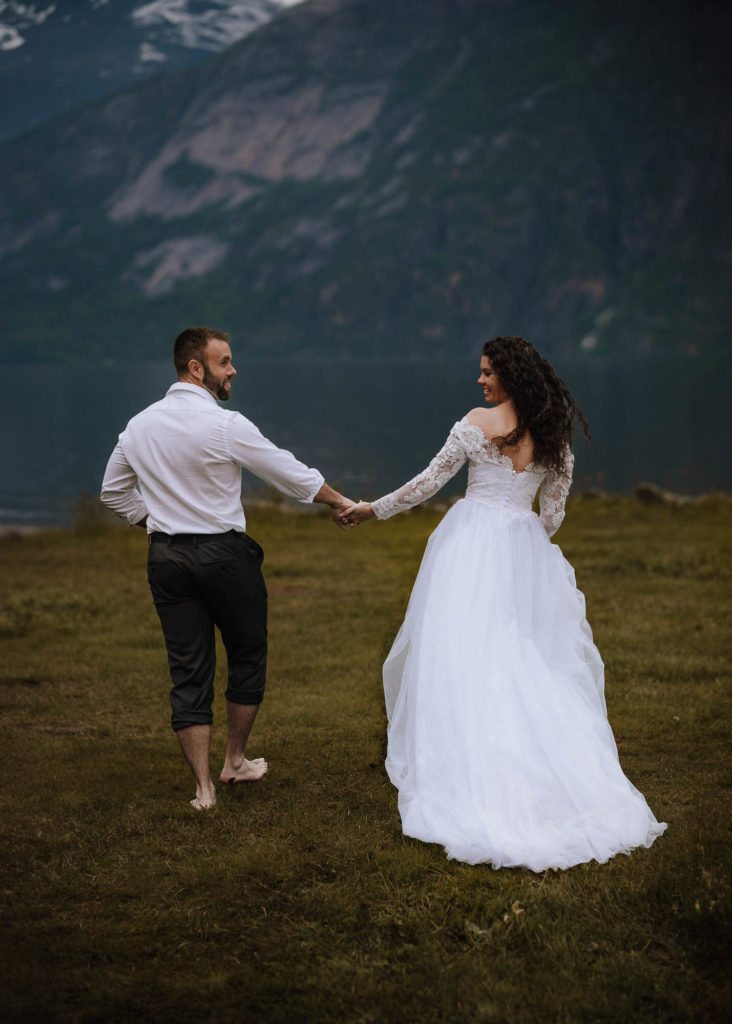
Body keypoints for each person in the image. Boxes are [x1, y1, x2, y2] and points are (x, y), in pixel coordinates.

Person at [342, 336, 667, 870]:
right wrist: (527, 535)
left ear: (509, 375)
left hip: (469, 544)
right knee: (520, 653)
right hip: (524, 546)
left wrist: (370, 509)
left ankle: (466, 756)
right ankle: (543, 760)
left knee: (464, 648)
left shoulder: (475, 422)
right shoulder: (555, 436)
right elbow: (554, 515)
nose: (480, 380)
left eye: (488, 371)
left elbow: (427, 485)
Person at [101, 326, 353, 811]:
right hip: (224, 557)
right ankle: (233, 760)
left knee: (188, 669)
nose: (233, 370)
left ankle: (203, 789)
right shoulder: (225, 424)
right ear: (197, 368)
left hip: (167, 559)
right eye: (225, 362)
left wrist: (155, 521)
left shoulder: (138, 426)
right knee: (247, 652)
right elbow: (286, 470)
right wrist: (339, 501)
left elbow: (113, 492)